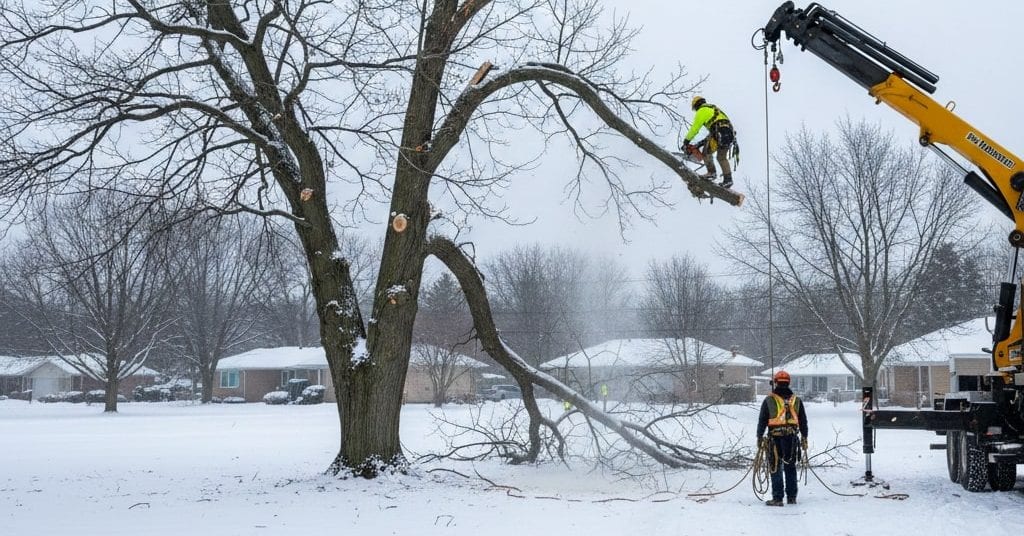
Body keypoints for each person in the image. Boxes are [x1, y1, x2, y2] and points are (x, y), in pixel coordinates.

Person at [756, 370, 808, 506]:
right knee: (790, 467)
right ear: (788, 382)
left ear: (775, 382)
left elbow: (762, 420)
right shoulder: (796, 401)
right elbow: (803, 421)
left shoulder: (769, 400)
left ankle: (778, 498)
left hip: (775, 439)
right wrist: (804, 437)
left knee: (775, 467)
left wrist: (759, 437)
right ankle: (791, 497)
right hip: (791, 439)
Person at [681, 96, 737, 188]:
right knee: (721, 157)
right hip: (728, 133)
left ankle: (711, 173)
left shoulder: (702, 111)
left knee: (706, 153)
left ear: (696, 106)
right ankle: (728, 180)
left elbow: (695, 129)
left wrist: (686, 141)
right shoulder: (714, 109)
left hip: (719, 131)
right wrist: (698, 144)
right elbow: (713, 133)